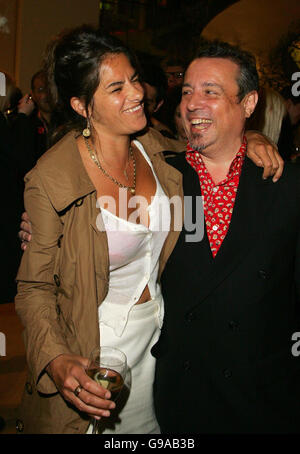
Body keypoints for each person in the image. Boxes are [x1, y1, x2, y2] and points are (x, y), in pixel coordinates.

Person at [15, 27, 283, 435]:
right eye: (117, 88)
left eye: (135, 79)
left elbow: (214, 140)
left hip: (158, 347)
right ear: (82, 105)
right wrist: (56, 358)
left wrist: (253, 134)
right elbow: (34, 287)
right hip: (92, 351)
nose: (137, 93)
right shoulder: (51, 179)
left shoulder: (157, 150)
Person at [152, 40, 300, 434]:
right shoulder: (157, 179)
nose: (192, 103)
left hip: (262, 399)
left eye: (210, 92)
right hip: (182, 396)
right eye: (186, 91)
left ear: (249, 104)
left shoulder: (287, 185)